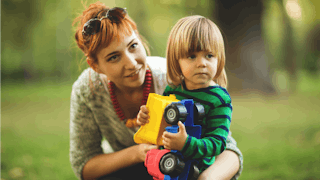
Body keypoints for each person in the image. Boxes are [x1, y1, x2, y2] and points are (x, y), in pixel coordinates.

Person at [70, 1, 243, 180]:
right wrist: (137, 152)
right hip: (136, 167)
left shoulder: (176, 77)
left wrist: (204, 178)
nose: (131, 63)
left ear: (139, 37)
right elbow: (84, 164)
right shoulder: (87, 91)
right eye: (114, 57)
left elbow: (227, 149)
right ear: (95, 66)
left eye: (133, 46)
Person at [137, 15, 240, 179]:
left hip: (198, 170)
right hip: (170, 164)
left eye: (209, 55)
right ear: (176, 61)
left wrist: (186, 144)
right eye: (192, 56)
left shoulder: (219, 99)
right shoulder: (173, 89)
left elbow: (218, 143)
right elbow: (162, 125)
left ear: (219, 58)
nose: (202, 63)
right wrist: (147, 119)